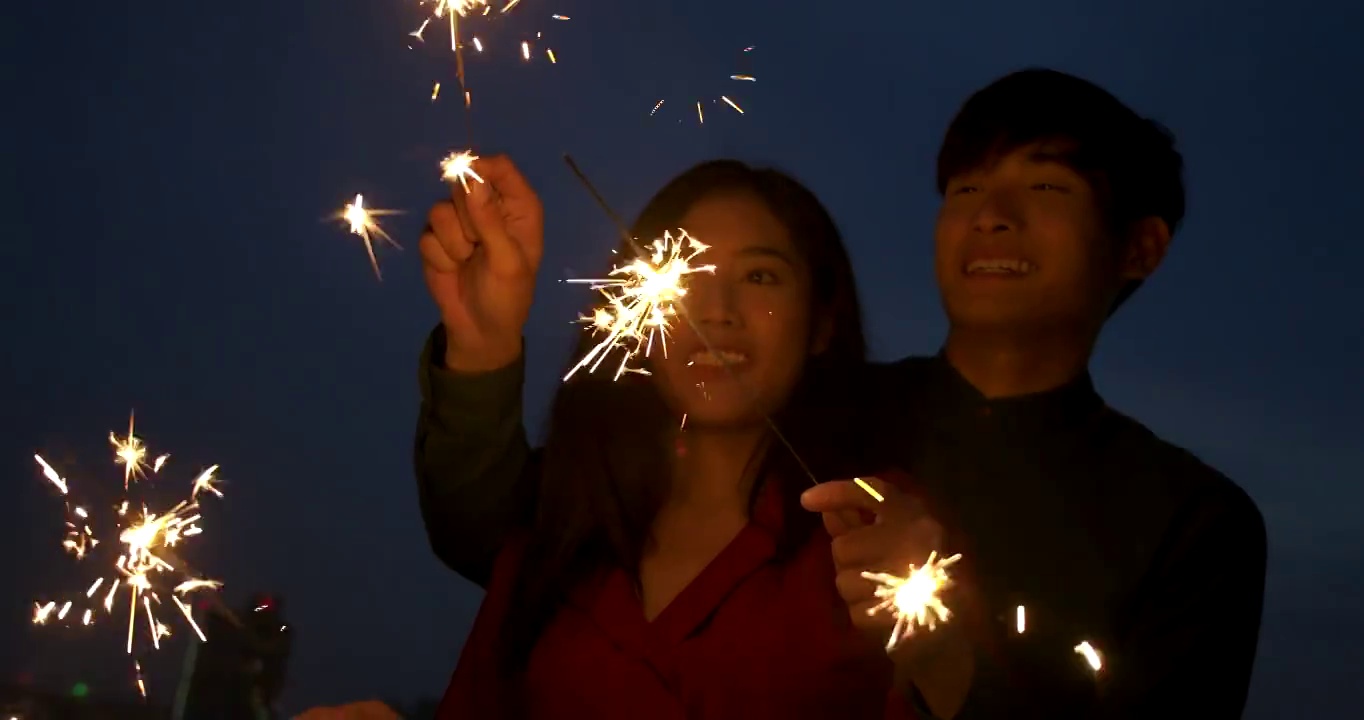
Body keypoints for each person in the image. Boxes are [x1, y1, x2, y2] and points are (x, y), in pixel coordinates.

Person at [412, 68, 1268, 718]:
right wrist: (483, 347)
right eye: (965, 189)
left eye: (1044, 188)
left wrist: (948, 655)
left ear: (1140, 247)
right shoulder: (798, 420)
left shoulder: (1192, 523)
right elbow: (512, 532)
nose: (990, 215)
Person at [428, 157, 946, 717]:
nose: (717, 312)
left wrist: (940, 650)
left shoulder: (879, 534)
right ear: (635, 311)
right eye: (686, 274)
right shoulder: (554, 531)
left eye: (759, 277)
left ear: (821, 322)